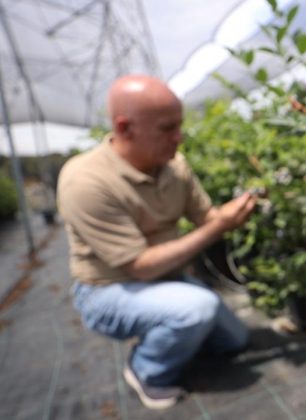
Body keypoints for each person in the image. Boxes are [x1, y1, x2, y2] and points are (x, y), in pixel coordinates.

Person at [57, 75, 258, 410]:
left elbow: (206, 218)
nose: (178, 137)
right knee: (196, 310)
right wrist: (217, 228)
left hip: (166, 276)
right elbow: (138, 266)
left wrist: (233, 213)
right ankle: (147, 370)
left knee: (235, 341)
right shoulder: (85, 181)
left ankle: (177, 333)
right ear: (124, 128)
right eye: (167, 128)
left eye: (179, 126)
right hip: (108, 289)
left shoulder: (173, 165)